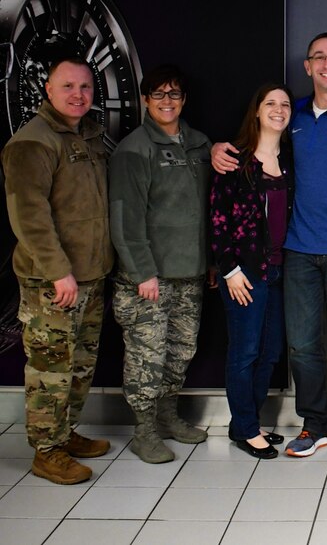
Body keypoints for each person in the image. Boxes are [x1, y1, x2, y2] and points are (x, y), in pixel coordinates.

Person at [212, 33, 327, 458]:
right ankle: (314, 424)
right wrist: (216, 149)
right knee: (303, 347)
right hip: (297, 255)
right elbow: (253, 149)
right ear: (307, 66)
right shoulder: (291, 122)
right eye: (318, 57)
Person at [1, 57, 113, 484]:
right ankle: (46, 452)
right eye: (68, 86)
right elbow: (29, 216)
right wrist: (57, 270)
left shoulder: (88, 134)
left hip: (91, 273)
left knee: (80, 363)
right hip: (54, 281)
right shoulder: (33, 141)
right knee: (50, 369)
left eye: (85, 87)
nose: (78, 95)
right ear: (47, 90)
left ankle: (64, 435)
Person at [109, 64, 212, 464]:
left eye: (174, 94)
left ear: (184, 100)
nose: (167, 101)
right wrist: (142, 272)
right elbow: (124, 219)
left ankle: (168, 416)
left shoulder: (200, 145)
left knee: (181, 350)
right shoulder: (134, 150)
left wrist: (211, 262)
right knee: (146, 356)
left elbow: (206, 211)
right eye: (158, 95)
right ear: (146, 100)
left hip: (190, 272)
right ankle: (144, 429)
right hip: (149, 279)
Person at [209, 83, 296, 460]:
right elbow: (217, 219)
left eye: (285, 104)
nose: (278, 109)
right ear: (257, 111)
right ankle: (245, 429)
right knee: (244, 353)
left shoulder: (291, 161)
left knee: (271, 351)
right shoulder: (234, 160)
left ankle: (247, 422)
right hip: (245, 273)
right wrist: (229, 270)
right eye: (270, 103)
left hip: (280, 271)